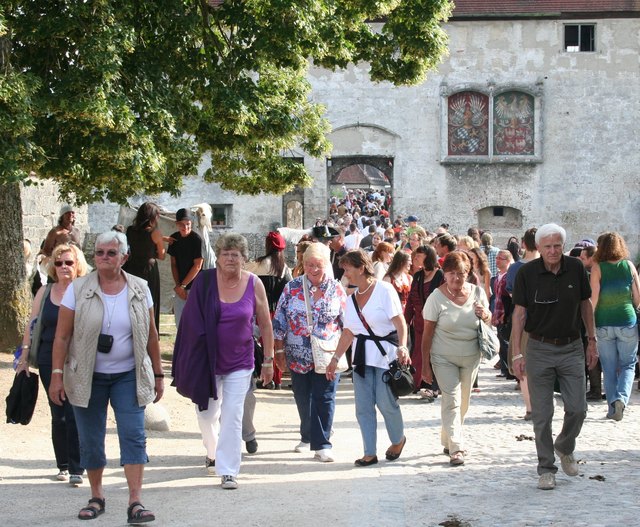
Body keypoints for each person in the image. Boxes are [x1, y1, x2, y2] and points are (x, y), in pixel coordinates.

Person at [49, 231, 164, 522]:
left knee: (134, 435)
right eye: (99, 252)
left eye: (111, 253)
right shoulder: (78, 289)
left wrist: (159, 373)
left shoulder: (140, 288)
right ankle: (96, 495)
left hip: (128, 374)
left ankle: (135, 501)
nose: (104, 257)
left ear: (124, 257)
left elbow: (151, 335)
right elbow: (62, 338)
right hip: (87, 375)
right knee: (91, 438)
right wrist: (57, 375)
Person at [172, 233, 274, 490]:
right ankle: (213, 450)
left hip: (241, 361)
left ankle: (228, 470)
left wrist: (269, 360)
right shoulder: (204, 282)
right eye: (226, 254)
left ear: (244, 259)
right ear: (217, 258)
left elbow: (265, 323)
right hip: (207, 360)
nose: (230, 258)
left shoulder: (254, 284)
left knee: (232, 414)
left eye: (236, 255)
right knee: (206, 415)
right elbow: (190, 323)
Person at [511, 223, 598, 491]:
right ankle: (546, 468)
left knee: (578, 408)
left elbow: (586, 305)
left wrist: (591, 341)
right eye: (547, 246)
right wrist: (516, 353)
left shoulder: (575, 268)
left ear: (563, 246)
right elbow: (519, 314)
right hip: (539, 347)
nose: (553, 251)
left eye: (557, 246)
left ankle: (564, 446)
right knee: (542, 414)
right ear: (538, 248)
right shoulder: (527, 273)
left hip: (571, 346)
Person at [326, 250, 410, 467]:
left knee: (386, 403)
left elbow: (399, 321)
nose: (345, 273)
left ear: (361, 267)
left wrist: (403, 346)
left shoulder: (384, 290)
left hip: (385, 356)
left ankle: (398, 439)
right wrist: (335, 359)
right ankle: (369, 452)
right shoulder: (351, 298)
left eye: (347, 269)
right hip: (362, 359)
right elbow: (348, 332)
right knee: (363, 407)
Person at [17, 244, 89, 485]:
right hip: (49, 357)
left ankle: (78, 465)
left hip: (78, 358)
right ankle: (64, 464)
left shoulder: (85, 291)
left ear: (77, 265)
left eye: (68, 262)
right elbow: (32, 324)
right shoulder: (45, 292)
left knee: (75, 411)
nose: (63, 267)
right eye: (58, 263)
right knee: (58, 411)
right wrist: (23, 358)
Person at [272, 243, 346, 462]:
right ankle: (306, 435)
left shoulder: (336, 289)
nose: (313, 269)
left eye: (318, 265)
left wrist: (340, 354)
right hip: (298, 352)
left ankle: (322, 443)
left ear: (326, 265)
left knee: (324, 396)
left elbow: (347, 323)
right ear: (302, 265)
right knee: (303, 397)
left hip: (327, 353)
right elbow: (279, 320)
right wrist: (279, 351)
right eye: (309, 264)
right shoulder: (292, 288)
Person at [421, 251, 491, 467]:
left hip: (471, 356)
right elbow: (427, 333)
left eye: (461, 274)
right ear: (444, 274)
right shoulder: (436, 298)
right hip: (443, 357)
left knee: (463, 403)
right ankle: (457, 447)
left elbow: (489, 321)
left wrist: (485, 315)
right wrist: (425, 364)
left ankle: (448, 438)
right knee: (451, 399)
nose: (456, 279)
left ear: (468, 273)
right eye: (451, 274)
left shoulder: (478, 293)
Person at [589, 232, 639, 421]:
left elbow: (593, 299)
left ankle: (612, 409)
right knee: (628, 365)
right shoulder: (629, 266)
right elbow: (638, 297)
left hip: (604, 323)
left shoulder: (597, 268)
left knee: (608, 368)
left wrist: (590, 325)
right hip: (627, 321)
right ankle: (622, 399)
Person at [245, 231, 293, 390]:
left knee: (261, 343)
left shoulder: (258, 265)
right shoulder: (285, 268)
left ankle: (263, 377)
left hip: (259, 312)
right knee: (276, 345)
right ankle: (277, 380)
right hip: (278, 313)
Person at [123, 202, 168, 330]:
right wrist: (160, 243)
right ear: (154, 216)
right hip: (148, 270)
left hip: (131, 268)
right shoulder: (155, 233)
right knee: (150, 302)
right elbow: (162, 256)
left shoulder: (130, 230)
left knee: (133, 302)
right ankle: (150, 332)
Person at [404, 245, 443, 394]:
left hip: (436, 324)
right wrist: (405, 320)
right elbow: (411, 301)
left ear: (428, 257)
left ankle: (434, 385)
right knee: (419, 352)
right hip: (419, 323)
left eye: (419, 256)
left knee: (434, 353)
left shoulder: (440, 276)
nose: (415, 259)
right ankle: (418, 383)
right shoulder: (418, 276)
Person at [168, 208, 204, 327]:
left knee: (196, 323)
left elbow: (197, 265)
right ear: (177, 224)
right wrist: (178, 286)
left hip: (195, 287)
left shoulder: (196, 239)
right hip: (180, 288)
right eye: (182, 225)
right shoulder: (174, 239)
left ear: (191, 224)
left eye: (188, 224)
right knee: (180, 324)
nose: (185, 227)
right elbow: (173, 264)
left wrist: (183, 285)